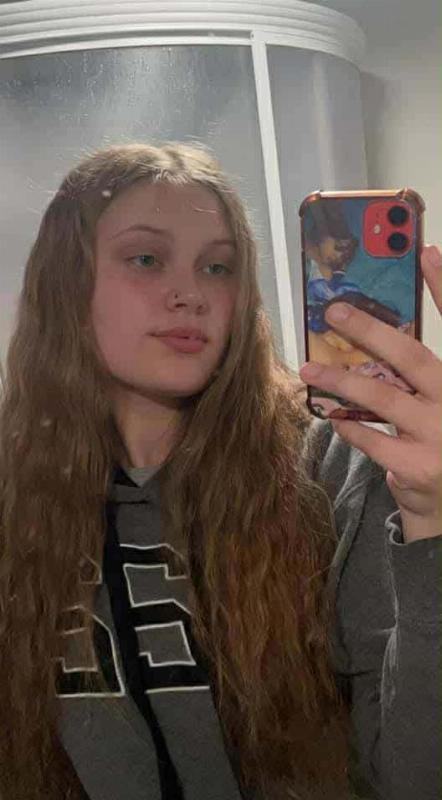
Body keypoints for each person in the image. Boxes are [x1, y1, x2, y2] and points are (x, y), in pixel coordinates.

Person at [0, 142, 440, 800]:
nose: (191, 295)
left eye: (217, 267)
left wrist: (433, 528)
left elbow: (415, 779)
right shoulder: (14, 501)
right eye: (146, 258)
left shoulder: (329, 472)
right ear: (66, 281)